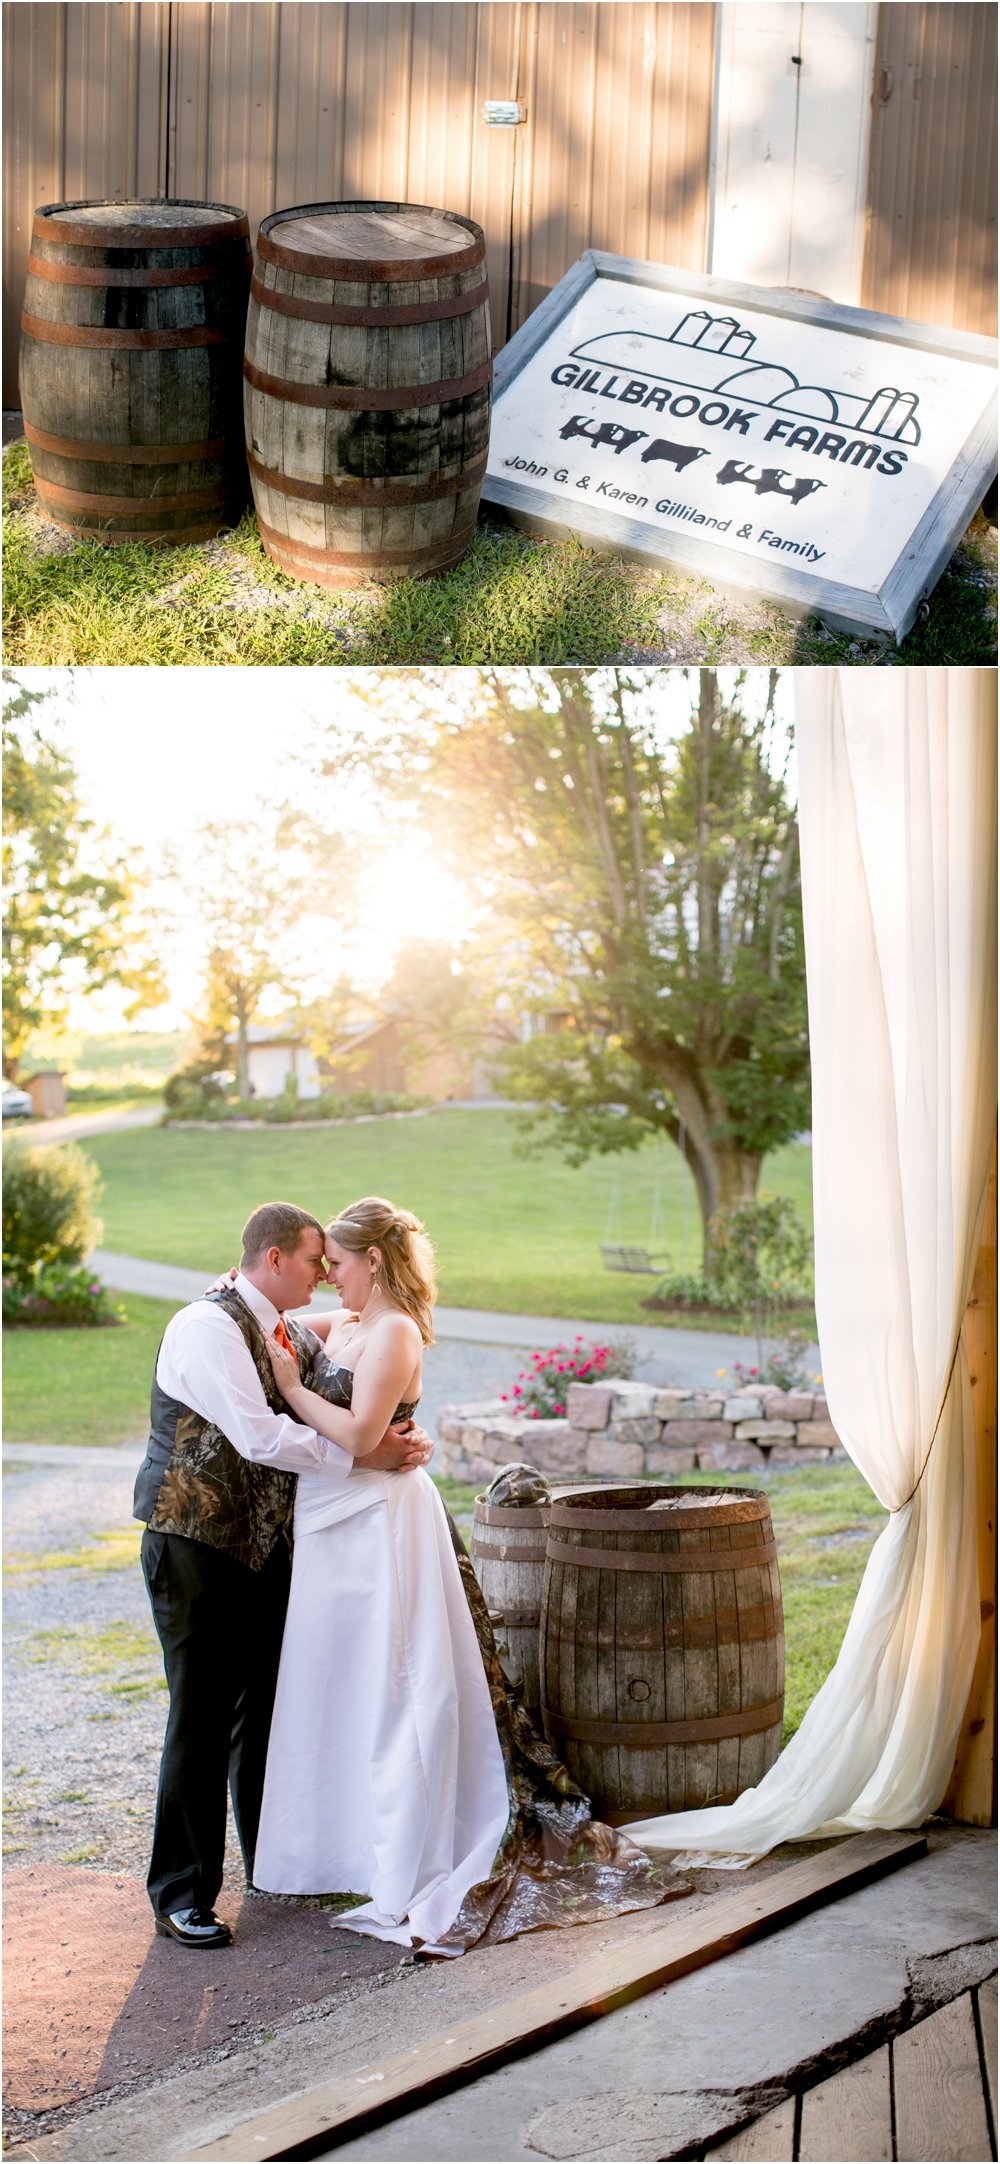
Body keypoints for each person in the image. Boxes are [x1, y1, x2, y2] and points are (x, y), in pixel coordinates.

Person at [251, 1196, 684, 1955]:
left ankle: (413, 1840)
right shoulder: (347, 1325)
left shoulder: (393, 1333)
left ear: (373, 1262)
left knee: (396, 1682)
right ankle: (347, 1843)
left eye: (339, 1266)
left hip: (379, 1519)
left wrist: (291, 1391)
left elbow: (357, 1434)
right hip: (331, 1525)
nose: (328, 1280)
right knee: (343, 1681)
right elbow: (270, 1316)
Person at [132, 1200, 433, 1950]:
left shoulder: (290, 1327)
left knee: (263, 1710)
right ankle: (181, 1894)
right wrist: (365, 1456)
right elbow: (261, 1434)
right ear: (274, 1261)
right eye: (313, 1261)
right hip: (193, 1542)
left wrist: (393, 1430)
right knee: (199, 1715)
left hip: (266, 1549)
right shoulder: (205, 1328)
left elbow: (349, 1375)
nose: (326, 1272)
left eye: (334, 1261)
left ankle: (275, 1860)